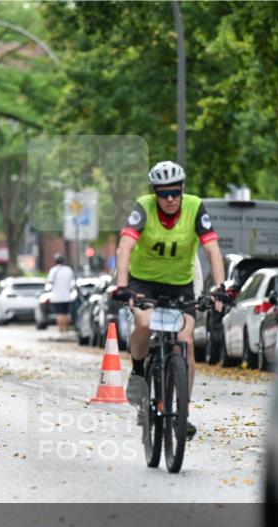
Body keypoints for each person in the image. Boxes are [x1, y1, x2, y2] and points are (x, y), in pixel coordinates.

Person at [112, 161, 227, 439]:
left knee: (185, 341)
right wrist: (122, 286)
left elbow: (212, 249)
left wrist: (221, 288)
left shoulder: (194, 206)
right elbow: (125, 246)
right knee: (144, 322)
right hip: (144, 282)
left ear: (182, 189)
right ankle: (139, 371)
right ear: (155, 193)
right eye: (164, 194)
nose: (171, 199)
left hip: (180, 284)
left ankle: (182, 411)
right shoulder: (144, 207)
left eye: (175, 192)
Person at [47, 253, 75, 336]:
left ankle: (60, 330)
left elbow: (49, 281)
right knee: (65, 314)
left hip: (57, 296)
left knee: (59, 314)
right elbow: (72, 281)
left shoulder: (53, 270)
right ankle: (65, 330)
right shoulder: (68, 270)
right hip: (66, 296)